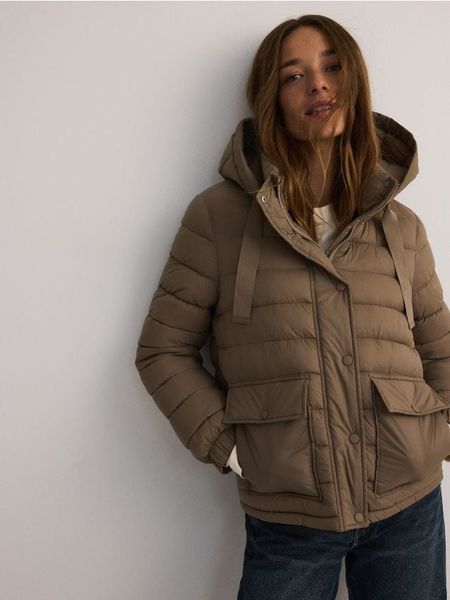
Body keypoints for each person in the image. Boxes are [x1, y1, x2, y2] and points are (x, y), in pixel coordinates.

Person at [134, 14, 450, 599]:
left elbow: (438, 344)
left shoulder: (401, 225)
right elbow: (162, 351)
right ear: (271, 99)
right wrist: (232, 449)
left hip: (409, 504)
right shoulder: (219, 218)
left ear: (354, 81)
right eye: (293, 75)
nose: (319, 84)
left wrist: (440, 431)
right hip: (290, 515)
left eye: (332, 66)